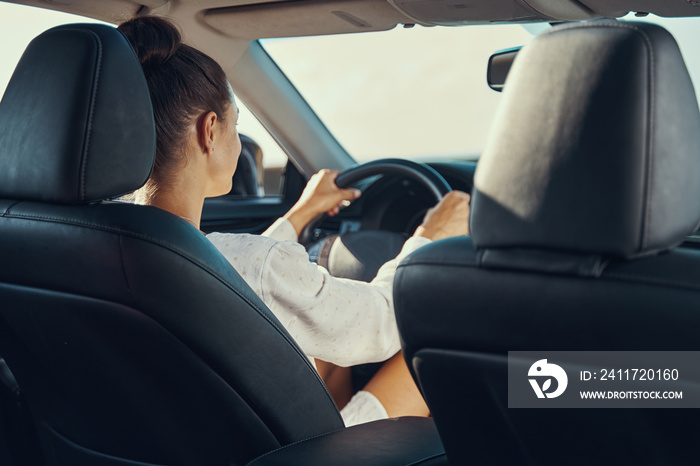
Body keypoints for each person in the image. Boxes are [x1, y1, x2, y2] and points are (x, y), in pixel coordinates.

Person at [118, 16, 470, 426]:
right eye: (236, 124)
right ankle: (561, 392)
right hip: (286, 452)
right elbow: (378, 326)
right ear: (209, 131)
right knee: (438, 340)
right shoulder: (255, 267)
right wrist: (428, 238)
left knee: (323, 347)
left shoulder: (96, 244)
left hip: (184, 438)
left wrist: (300, 214)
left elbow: (236, 274)